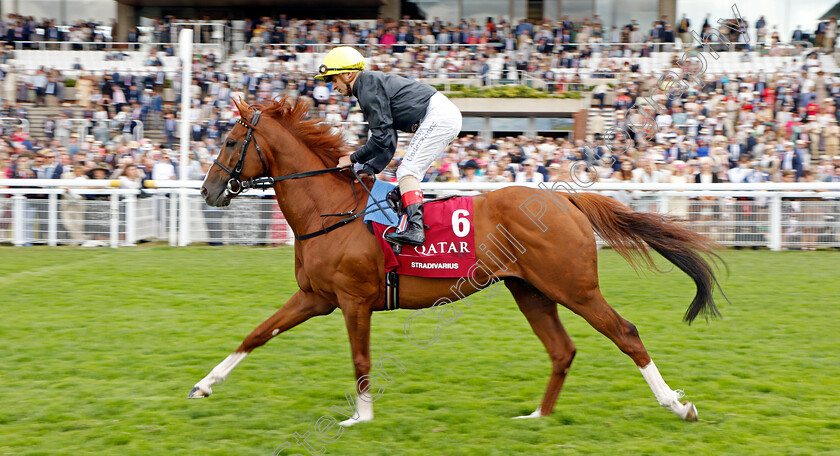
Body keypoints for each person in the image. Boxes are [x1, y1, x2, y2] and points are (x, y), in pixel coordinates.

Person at [318, 46, 462, 246]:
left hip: (438, 116)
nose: (332, 87)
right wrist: (371, 168)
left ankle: (416, 230)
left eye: (333, 80)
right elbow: (389, 138)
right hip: (442, 115)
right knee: (403, 178)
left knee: (407, 172)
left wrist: (352, 158)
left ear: (349, 74)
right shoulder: (367, 87)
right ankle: (406, 221)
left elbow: (381, 139)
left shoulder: (367, 87)